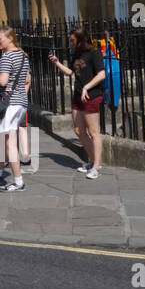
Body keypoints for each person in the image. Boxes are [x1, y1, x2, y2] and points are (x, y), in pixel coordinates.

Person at [49, 26, 107, 178]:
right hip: (78, 95)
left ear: (81, 39)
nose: (71, 42)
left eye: (73, 40)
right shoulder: (76, 53)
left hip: (91, 95)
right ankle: (92, 160)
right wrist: (56, 63)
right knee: (78, 131)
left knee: (94, 132)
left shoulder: (94, 53)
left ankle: (96, 166)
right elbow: (70, 72)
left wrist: (87, 87)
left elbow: (101, 74)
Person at [0, 26, 30, 192]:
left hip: (8, 103)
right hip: (19, 102)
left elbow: (2, 81)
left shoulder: (7, 57)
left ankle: (18, 181)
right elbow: (27, 79)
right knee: (2, 138)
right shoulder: (23, 56)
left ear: (10, 38)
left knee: (10, 142)